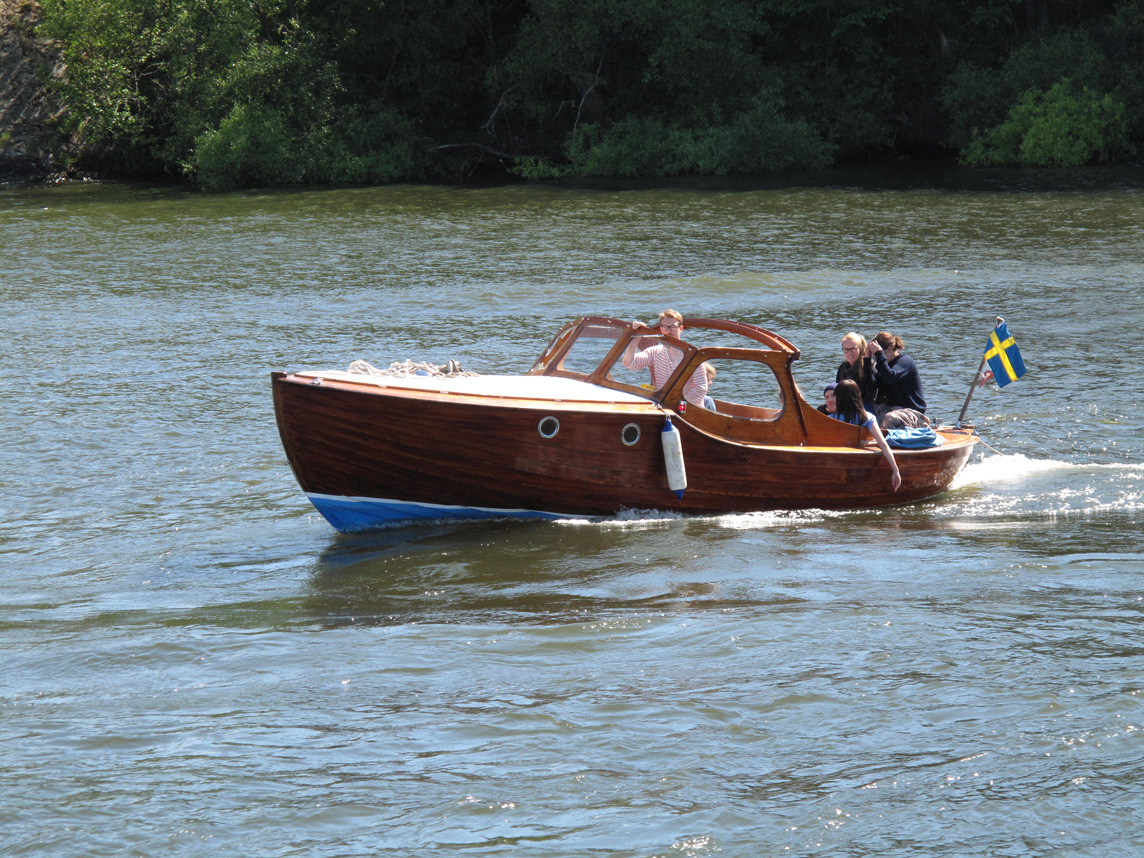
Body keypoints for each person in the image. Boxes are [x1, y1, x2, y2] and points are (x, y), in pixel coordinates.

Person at [622, 309, 709, 405]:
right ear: (661, 329)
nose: (668, 331)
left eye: (673, 327)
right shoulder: (655, 352)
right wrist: (637, 335)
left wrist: (676, 403)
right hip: (663, 405)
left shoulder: (692, 355)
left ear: (681, 329)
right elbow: (629, 363)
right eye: (665, 327)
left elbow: (700, 388)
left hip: (687, 409)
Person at [830, 379, 901, 491]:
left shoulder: (831, 419)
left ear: (838, 398)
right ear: (858, 396)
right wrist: (895, 470)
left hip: (837, 466)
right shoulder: (868, 417)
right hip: (860, 466)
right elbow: (882, 444)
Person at [866, 331, 928, 429]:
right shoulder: (883, 365)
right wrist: (867, 360)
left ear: (890, 349)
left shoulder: (905, 361)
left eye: (878, 354)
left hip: (912, 412)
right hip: (891, 409)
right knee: (862, 409)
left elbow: (890, 377)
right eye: (875, 355)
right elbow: (870, 386)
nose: (876, 358)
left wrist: (879, 354)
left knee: (890, 418)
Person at [836, 332, 877, 408]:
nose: (849, 353)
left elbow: (871, 392)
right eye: (846, 349)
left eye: (853, 349)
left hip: (866, 406)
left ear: (860, 349)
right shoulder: (843, 367)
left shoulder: (869, 365)